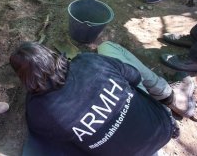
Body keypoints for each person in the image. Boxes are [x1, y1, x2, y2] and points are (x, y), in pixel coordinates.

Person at [10, 41, 196, 155]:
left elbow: (48, 142)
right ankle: (169, 96)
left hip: (125, 151)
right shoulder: (89, 61)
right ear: (51, 55)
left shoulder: (38, 110)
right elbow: (135, 77)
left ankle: (170, 97)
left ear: (24, 79)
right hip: (162, 128)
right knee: (108, 47)